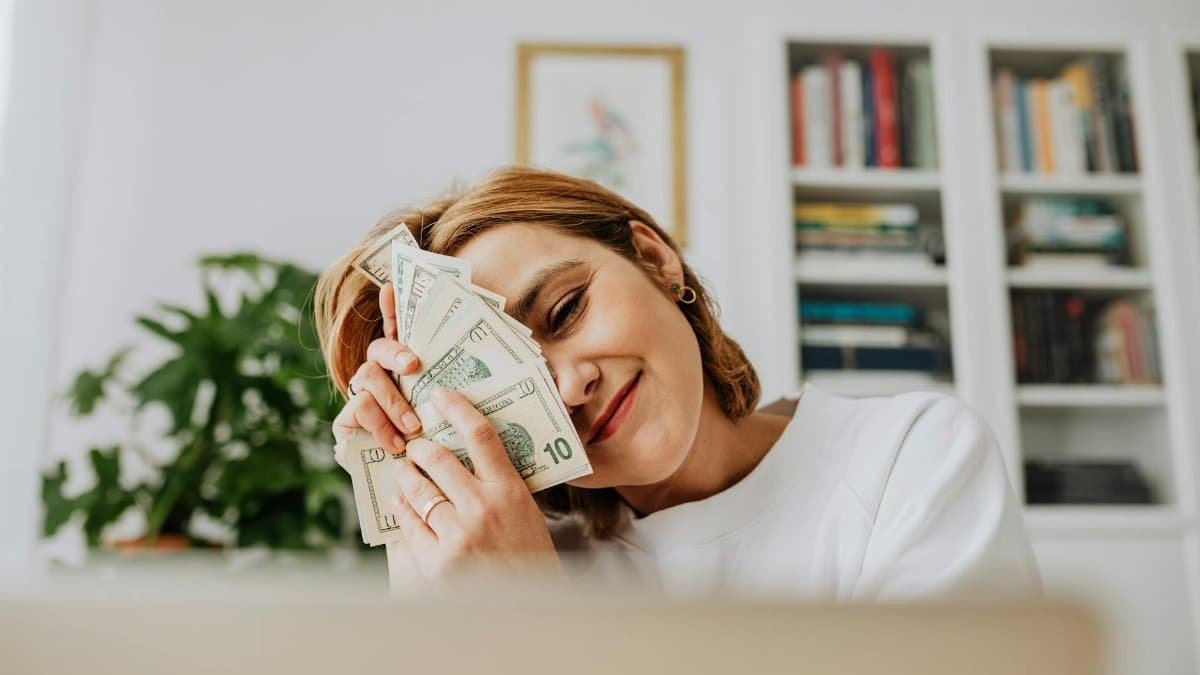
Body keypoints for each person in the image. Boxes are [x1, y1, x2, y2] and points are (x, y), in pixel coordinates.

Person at [314, 166, 1041, 599]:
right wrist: (417, 556)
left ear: (656, 259)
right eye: (508, 376)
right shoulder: (515, 560)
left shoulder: (907, 459)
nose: (567, 386)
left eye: (566, 310)